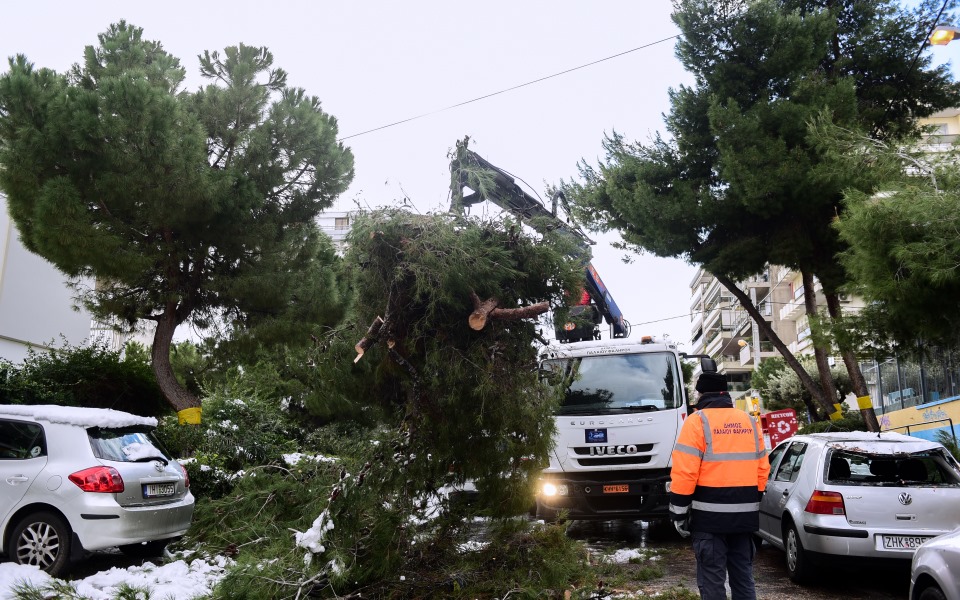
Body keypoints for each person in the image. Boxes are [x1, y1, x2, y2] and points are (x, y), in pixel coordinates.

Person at [669, 370, 770, 600]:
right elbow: (763, 467)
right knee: (743, 577)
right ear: (726, 393)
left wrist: (678, 512)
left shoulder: (697, 421)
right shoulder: (748, 421)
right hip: (744, 519)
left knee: (713, 580)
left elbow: (685, 473)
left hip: (709, 519)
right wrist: (752, 500)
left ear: (701, 393)